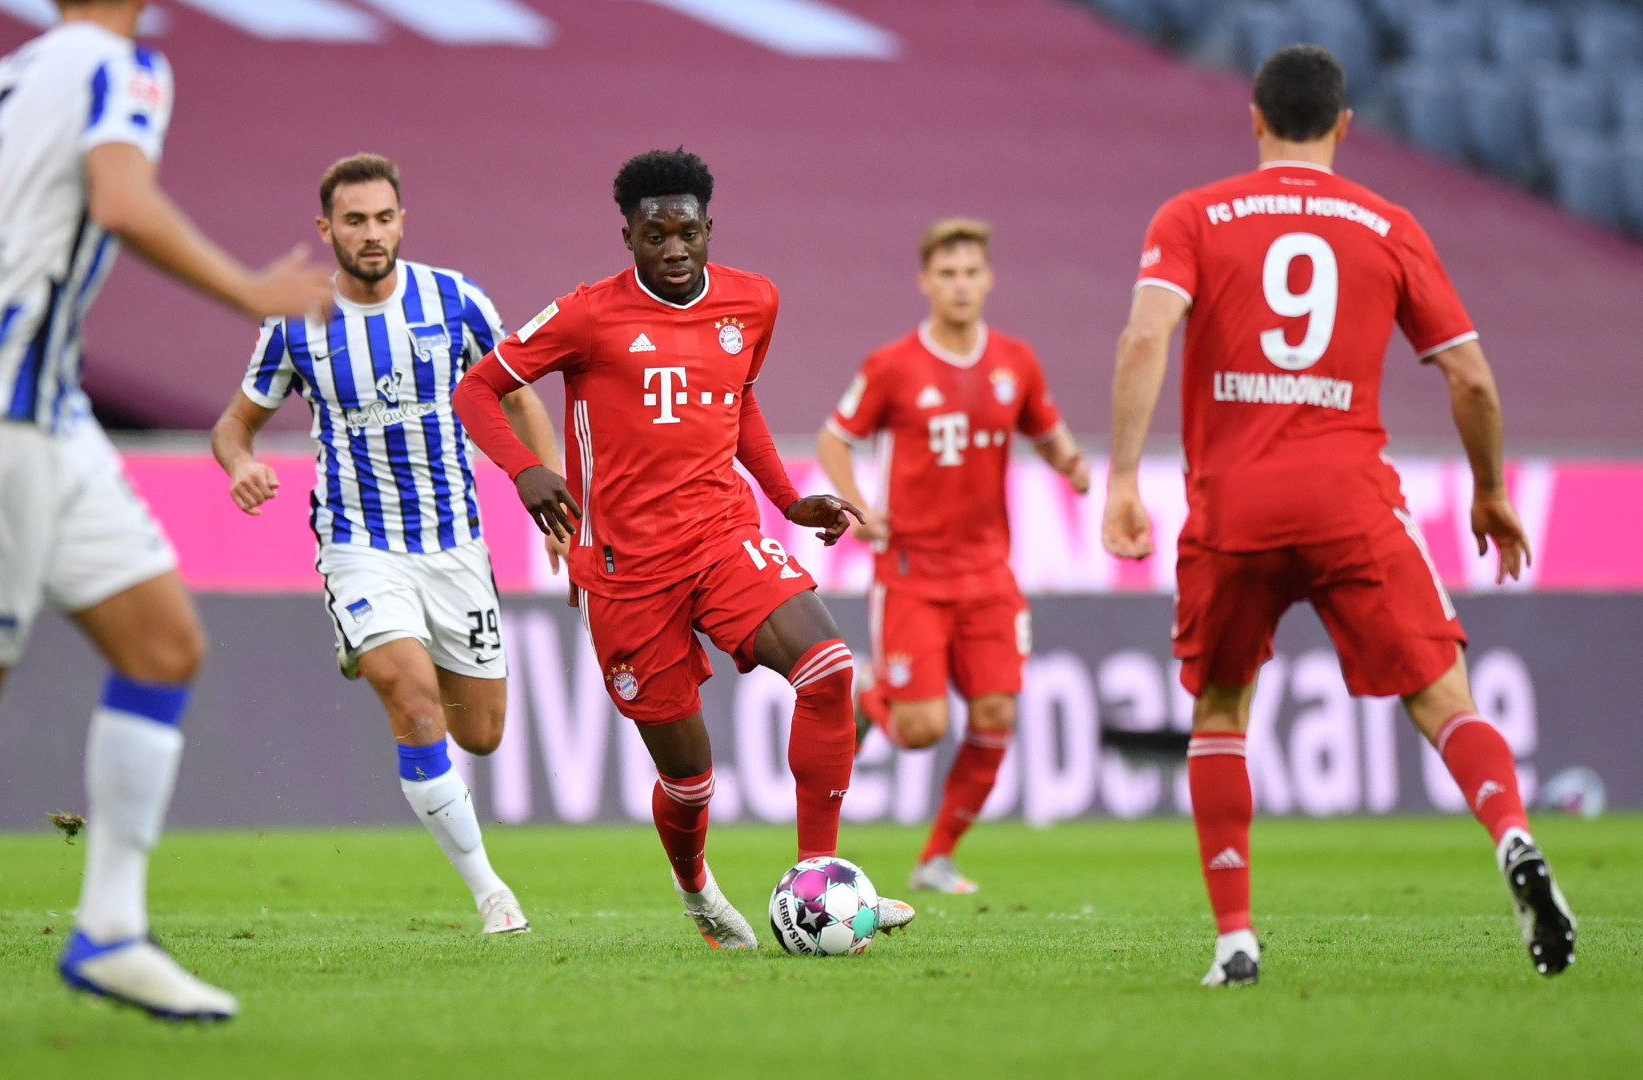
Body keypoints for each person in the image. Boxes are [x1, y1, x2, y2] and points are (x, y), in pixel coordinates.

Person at [0, 0, 332, 1041]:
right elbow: (120, 202)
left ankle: (111, 934)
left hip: (48, 419)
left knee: (164, 646)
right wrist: (246, 288)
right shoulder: (123, 71)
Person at [1102, 44, 1576, 987]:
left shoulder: (1193, 215)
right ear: (1345, 127)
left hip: (1233, 506)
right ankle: (1513, 836)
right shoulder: (1387, 223)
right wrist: (1487, 489)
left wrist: (1121, 476)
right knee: (1444, 696)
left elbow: (1149, 332)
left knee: (1222, 709)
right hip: (1350, 499)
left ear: (1255, 118)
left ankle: (1235, 939)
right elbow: (1470, 377)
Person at [451, 148, 915, 949]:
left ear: (710, 230)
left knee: (830, 668)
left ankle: (820, 878)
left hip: (722, 536)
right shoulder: (586, 315)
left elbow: (739, 400)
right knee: (691, 779)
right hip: (626, 573)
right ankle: (696, 885)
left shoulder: (754, 301)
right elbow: (476, 388)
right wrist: (526, 469)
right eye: (654, 234)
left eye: (687, 233)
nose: (673, 249)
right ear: (627, 235)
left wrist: (786, 498)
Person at [211, 153, 559, 935]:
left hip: (454, 543)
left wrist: (551, 496)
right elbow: (235, 424)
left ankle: (393, 650)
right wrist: (241, 466)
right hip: (356, 540)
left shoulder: (456, 300)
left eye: (384, 218)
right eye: (356, 220)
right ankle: (491, 894)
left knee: (482, 732)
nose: (372, 235)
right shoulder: (296, 322)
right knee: (408, 691)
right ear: (326, 228)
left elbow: (521, 398)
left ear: (403, 219)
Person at [815, 219, 1089, 894]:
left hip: (990, 573)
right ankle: (876, 697)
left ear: (988, 279)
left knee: (997, 714)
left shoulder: (1015, 362)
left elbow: (1046, 432)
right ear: (925, 282)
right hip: (911, 573)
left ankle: (936, 857)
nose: (961, 285)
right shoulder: (892, 366)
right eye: (947, 274)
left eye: (971, 273)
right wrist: (857, 505)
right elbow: (832, 440)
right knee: (920, 730)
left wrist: (1075, 468)